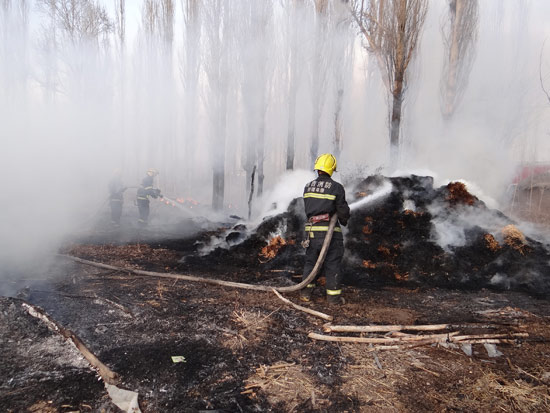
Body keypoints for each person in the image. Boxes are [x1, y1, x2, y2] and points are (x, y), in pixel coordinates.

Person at [300, 153, 350, 305]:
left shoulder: (308, 186)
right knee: (332, 263)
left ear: (317, 169)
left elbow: (309, 208)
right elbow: (342, 212)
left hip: (311, 232)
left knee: (311, 263)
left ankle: (305, 294)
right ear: (331, 169)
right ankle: (333, 298)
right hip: (330, 234)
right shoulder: (336, 187)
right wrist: (344, 218)